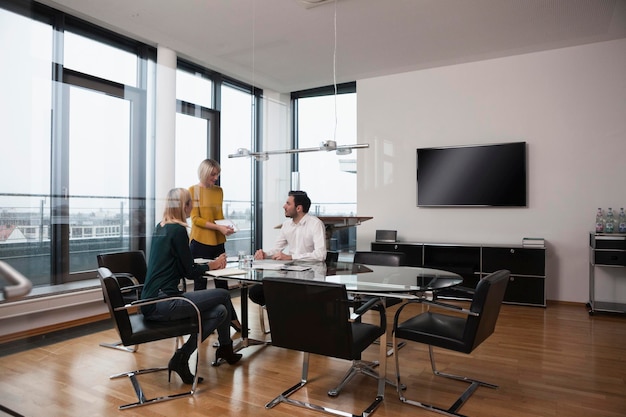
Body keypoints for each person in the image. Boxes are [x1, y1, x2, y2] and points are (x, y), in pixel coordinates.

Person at [140, 188, 242, 384]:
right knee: (223, 294)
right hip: (165, 300)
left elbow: (177, 267)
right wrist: (212, 264)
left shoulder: (160, 227)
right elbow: (189, 271)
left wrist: (203, 265)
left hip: (151, 300)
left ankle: (190, 355)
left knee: (220, 311)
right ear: (183, 206)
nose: (192, 207)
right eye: (190, 203)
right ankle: (221, 349)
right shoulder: (178, 230)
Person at [188, 159, 241, 332]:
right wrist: (219, 227)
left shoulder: (219, 191)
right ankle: (200, 323)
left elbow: (219, 215)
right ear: (204, 172)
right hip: (199, 243)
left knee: (222, 284)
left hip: (218, 242)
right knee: (200, 285)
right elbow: (195, 219)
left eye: (217, 174)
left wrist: (226, 226)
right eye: (213, 174)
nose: (216, 177)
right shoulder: (193, 191)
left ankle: (230, 319)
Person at [250, 190, 327, 305]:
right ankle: (281, 314)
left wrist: (291, 257)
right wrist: (265, 254)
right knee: (255, 291)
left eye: (288, 203)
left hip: (310, 278)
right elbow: (277, 249)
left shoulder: (315, 224)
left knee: (289, 296)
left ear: (298, 208)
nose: (284, 206)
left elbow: (320, 255)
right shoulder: (286, 225)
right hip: (290, 275)